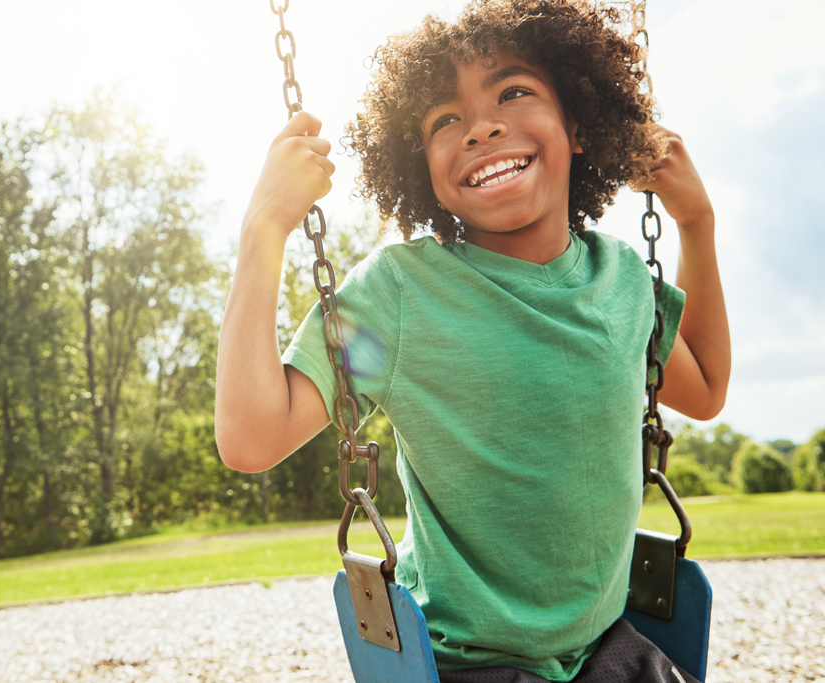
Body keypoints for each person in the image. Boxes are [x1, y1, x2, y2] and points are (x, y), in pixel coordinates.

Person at [214, 0, 730, 681]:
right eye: (444, 120)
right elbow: (254, 435)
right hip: (469, 664)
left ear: (577, 124)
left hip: (609, 652)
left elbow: (705, 389)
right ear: (419, 165)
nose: (483, 126)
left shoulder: (623, 282)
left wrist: (695, 221)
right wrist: (265, 230)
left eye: (514, 92)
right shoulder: (402, 300)